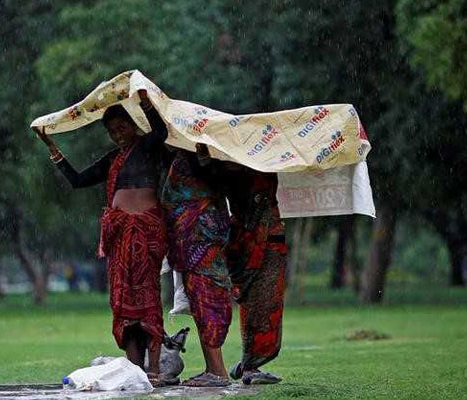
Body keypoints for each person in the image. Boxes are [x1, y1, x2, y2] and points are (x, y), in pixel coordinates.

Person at [33, 90, 168, 385]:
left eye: (122, 128)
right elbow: (78, 180)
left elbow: (161, 130)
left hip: (146, 233)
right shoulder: (113, 160)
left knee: (147, 298)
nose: (118, 135)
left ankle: (155, 369)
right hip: (119, 238)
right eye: (112, 132)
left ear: (133, 125)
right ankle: (136, 369)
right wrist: (52, 147)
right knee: (122, 302)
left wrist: (145, 102)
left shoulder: (148, 147)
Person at [161, 144, 233, 387]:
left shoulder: (203, 161)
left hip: (201, 243)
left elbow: (213, 193)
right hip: (192, 245)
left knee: (206, 305)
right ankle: (213, 369)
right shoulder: (182, 159)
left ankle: (218, 372)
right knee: (201, 306)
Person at [225, 166, 287, 385]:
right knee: (260, 302)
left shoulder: (262, 155)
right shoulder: (235, 160)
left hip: (261, 236)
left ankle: (248, 362)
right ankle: (250, 364)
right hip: (253, 238)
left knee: (262, 302)